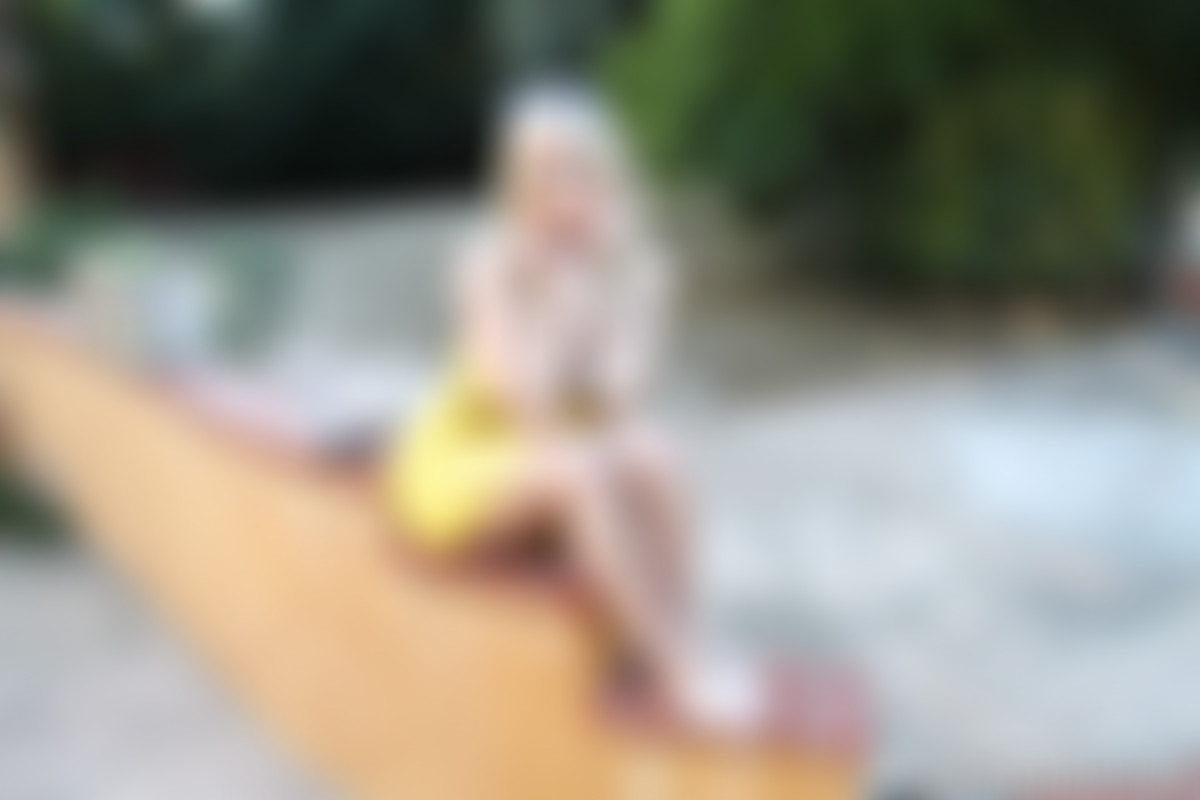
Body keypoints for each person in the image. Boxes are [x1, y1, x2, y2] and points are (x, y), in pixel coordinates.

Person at [384, 85, 740, 722]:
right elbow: (518, 404)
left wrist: (606, 297)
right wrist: (558, 312)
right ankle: (673, 667)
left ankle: (688, 635)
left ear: (610, 178)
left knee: (657, 454)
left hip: (564, 448)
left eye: (579, 172)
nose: (564, 193)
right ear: (519, 186)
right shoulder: (491, 260)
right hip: (468, 460)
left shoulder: (639, 269)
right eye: (545, 176)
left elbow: (621, 401)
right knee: (581, 469)